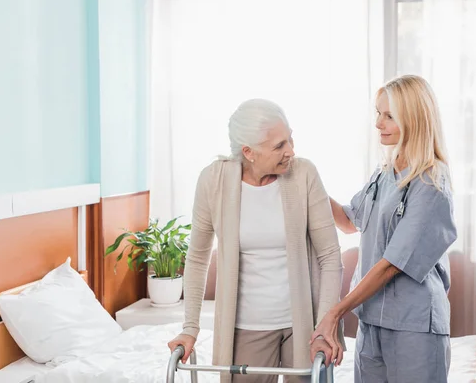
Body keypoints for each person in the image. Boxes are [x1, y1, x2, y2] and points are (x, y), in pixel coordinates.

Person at [168, 99, 344, 383]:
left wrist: (325, 326)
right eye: (278, 146)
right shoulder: (213, 181)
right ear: (248, 152)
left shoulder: (304, 174)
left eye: (290, 139)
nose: (290, 151)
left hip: (304, 326)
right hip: (246, 328)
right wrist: (191, 328)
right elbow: (198, 257)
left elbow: (330, 256)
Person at [310, 75, 457, 382]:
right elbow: (349, 221)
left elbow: (392, 265)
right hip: (372, 321)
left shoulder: (431, 182)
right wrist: (307, 182)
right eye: (378, 113)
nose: (378, 123)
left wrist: (335, 312)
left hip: (413, 327)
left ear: (413, 120)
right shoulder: (386, 171)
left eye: (389, 116)